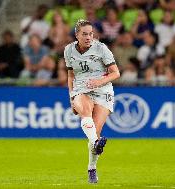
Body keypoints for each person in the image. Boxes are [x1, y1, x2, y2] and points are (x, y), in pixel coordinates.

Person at [64, 20, 120, 183]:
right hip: (81, 88)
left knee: (95, 132)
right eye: (85, 34)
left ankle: (91, 168)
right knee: (85, 112)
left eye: (91, 34)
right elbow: (71, 75)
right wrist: (71, 96)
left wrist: (99, 82)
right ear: (77, 35)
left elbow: (115, 73)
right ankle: (96, 143)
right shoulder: (68, 50)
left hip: (103, 90)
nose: (88, 37)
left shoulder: (101, 48)